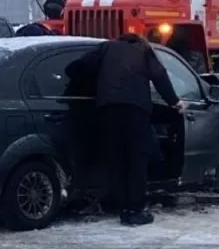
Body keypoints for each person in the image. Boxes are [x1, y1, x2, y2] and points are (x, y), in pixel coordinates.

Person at [74, 32, 184, 226]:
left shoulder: (106, 47)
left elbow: (77, 67)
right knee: (136, 160)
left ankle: (121, 207)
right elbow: (160, 77)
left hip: (108, 109)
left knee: (116, 159)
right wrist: (174, 102)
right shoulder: (143, 50)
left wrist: (93, 85)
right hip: (136, 110)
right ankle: (135, 210)